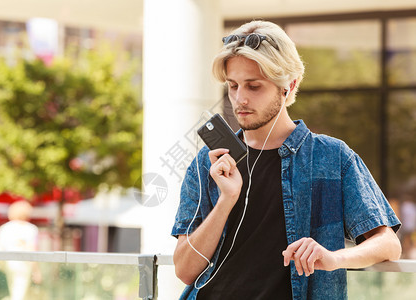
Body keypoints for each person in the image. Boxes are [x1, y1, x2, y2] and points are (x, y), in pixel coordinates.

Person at [171, 20, 401, 300]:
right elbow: (184, 270)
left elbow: (388, 243)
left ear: (288, 86)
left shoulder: (331, 157)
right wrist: (226, 201)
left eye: (253, 86)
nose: (240, 99)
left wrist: (334, 258)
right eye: (233, 86)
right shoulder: (208, 163)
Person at [0, 200, 42, 300]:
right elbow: (31, 250)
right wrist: (36, 271)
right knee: (19, 293)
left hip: (8, 263)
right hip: (23, 264)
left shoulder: (5, 228)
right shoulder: (31, 229)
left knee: (15, 290)